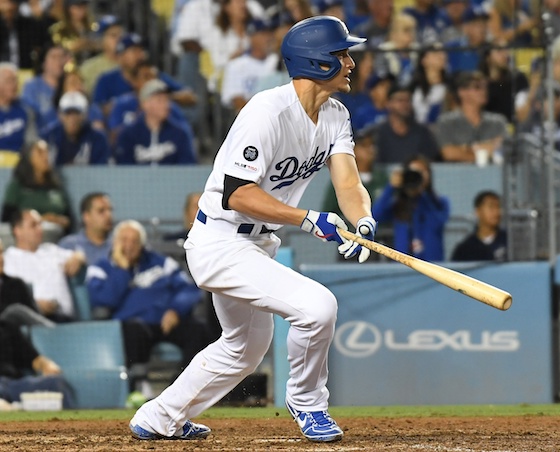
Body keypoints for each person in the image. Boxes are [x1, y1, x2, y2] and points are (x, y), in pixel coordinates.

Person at [129, 16, 376, 443]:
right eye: (342, 55)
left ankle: (159, 416)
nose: (351, 63)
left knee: (243, 349)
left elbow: (349, 183)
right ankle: (308, 402)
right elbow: (237, 194)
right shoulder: (266, 111)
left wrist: (363, 220)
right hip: (220, 240)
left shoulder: (335, 114)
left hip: (257, 243)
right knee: (318, 308)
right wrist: (306, 218)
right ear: (317, 63)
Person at [85, 220, 214, 373]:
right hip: (134, 325)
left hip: (166, 320)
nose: (129, 246)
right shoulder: (101, 268)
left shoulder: (161, 262)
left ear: (142, 245)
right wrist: (123, 270)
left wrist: (176, 310)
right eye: (124, 240)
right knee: (131, 332)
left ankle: (185, 385)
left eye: (135, 241)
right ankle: (138, 384)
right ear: (114, 243)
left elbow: (188, 289)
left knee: (198, 330)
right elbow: (105, 299)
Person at [4, 209, 85, 322]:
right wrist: (35, 305)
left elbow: (80, 254)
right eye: (33, 225)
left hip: (64, 319)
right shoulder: (8, 259)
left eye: (40, 224)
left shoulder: (51, 250)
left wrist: (78, 257)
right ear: (18, 231)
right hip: (30, 322)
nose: (40, 229)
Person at [372, 155, 450, 262]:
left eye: (420, 173)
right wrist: (390, 188)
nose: (416, 176)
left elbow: (436, 223)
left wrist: (423, 191)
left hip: (432, 267)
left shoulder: (440, 203)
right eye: (412, 173)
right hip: (402, 268)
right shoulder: (398, 205)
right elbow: (375, 216)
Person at [113, 79, 197, 165]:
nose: (166, 105)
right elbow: (123, 170)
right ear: (145, 104)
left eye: (167, 100)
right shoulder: (128, 135)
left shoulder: (180, 134)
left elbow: (187, 167)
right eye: (160, 100)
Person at [435, 71, 508, 163]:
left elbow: (504, 150)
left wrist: (465, 150)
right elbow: (449, 153)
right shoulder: (446, 122)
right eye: (477, 87)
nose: (483, 91)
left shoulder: (498, 122)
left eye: (485, 87)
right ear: (462, 92)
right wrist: (487, 149)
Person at [1, 140, 73, 232]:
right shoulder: (17, 186)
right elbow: (7, 219)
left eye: (47, 151)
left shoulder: (56, 186)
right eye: (40, 152)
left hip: (56, 240)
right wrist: (40, 220)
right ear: (29, 157)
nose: (46, 156)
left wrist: (59, 220)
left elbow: (69, 219)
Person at [0, 320, 75, 408]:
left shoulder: (5, 327)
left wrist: (46, 365)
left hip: (11, 384)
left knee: (55, 383)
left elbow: (34, 358)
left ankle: (71, 420)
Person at [220, 18, 279, 115]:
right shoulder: (236, 65)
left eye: (270, 33)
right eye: (263, 34)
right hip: (250, 118)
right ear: (251, 37)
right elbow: (237, 100)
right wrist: (261, 115)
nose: (268, 37)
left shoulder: (277, 60)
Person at [374, 83, 441, 164]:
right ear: (388, 104)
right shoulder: (378, 133)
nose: (405, 104)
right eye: (400, 100)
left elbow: (430, 161)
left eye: (408, 100)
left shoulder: (422, 133)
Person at [41, 91, 111, 165]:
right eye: (68, 113)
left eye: (77, 113)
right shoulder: (48, 137)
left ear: (85, 115)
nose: (72, 118)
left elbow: (101, 170)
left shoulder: (98, 139)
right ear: (60, 115)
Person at [0, 238, 55, 327]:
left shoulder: (17, 285)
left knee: (15, 312)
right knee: (15, 311)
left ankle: (55, 333)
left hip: (16, 338)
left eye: (1, 252)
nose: (1, 258)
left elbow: (36, 318)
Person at [20, 44, 70, 133]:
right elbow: (29, 114)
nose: (59, 61)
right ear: (44, 63)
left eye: (62, 56)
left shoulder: (71, 83)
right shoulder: (32, 86)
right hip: (41, 134)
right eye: (54, 57)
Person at [58, 192, 113, 266]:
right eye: (101, 211)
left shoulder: (117, 245)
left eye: (110, 210)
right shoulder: (69, 245)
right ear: (86, 216)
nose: (108, 215)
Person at [451, 190, 507, 261]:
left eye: (498, 207)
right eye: (491, 207)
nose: (497, 211)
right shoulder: (465, 248)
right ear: (477, 211)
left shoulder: (509, 241)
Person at [0, 63, 37, 163]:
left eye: (16, 80)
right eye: (9, 81)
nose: (15, 85)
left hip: (19, 167)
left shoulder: (25, 110)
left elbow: (31, 143)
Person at [0, 0, 52, 70]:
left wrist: (40, 16)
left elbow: (44, 37)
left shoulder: (27, 25)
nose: (9, 7)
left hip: (25, 72)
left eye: (12, 3)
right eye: (5, 3)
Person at [78, 15, 122, 96]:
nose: (118, 39)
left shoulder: (131, 65)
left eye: (120, 35)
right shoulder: (88, 68)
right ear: (102, 40)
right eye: (113, 35)